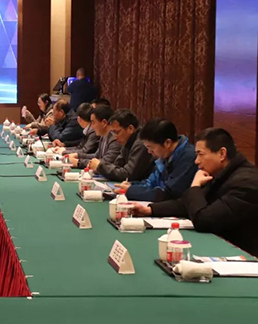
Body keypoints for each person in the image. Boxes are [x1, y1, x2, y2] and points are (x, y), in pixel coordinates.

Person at [133, 128, 258, 256]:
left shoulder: (246, 183)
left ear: (222, 154)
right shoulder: (221, 173)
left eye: (200, 154)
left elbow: (204, 221)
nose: (196, 161)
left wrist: (195, 187)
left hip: (246, 256)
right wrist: (150, 210)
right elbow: (189, 204)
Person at [114, 119, 198, 202]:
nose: (149, 151)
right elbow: (151, 183)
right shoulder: (165, 155)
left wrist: (131, 191)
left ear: (167, 143)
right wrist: (132, 185)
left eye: (151, 147)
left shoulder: (188, 157)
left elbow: (168, 194)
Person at [93, 109, 155, 181]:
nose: (115, 137)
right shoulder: (128, 140)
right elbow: (117, 165)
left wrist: (100, 167)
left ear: (130, 129)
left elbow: (127, 174)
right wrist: (100, 168)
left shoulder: (141, 143)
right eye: (113, 133)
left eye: (117, 132)